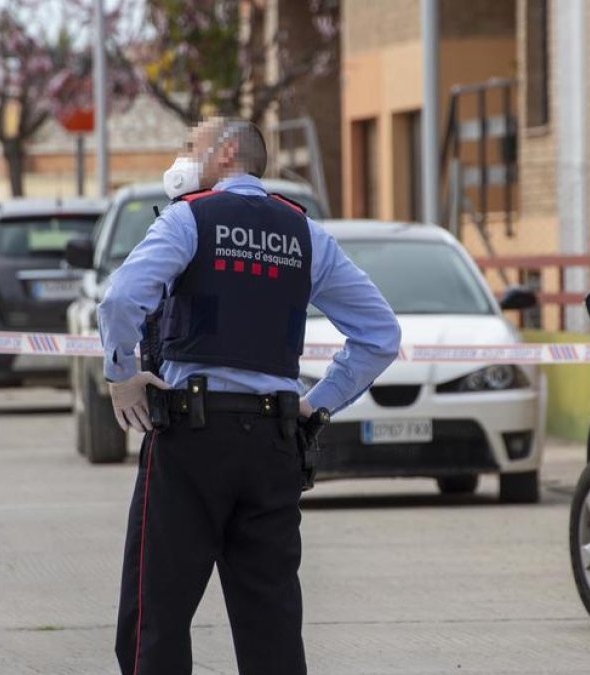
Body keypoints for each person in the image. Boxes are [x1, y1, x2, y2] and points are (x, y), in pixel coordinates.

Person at [98, 116, 400, 675]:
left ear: (227, 151)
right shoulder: (305, 233)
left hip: (192, 440)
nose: (180, 157)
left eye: (189, 145)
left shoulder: (190, 219)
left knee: (154, 617)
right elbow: (381, 335)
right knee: (271, 625)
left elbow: (120, 300)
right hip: (273, 442)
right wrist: (318, 403)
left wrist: (121, 375)